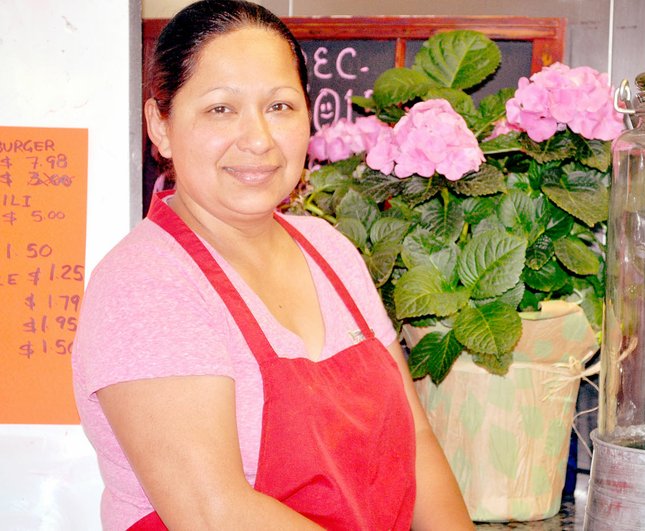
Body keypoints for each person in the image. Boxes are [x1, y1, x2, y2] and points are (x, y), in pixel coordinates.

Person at [71, 1, 473, 529]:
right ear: (160, 125)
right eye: (221, 109)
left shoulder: (328, 250)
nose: (258, 138)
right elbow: (214, 513)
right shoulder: (144, 285)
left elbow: (415, 441)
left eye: (280, 106)